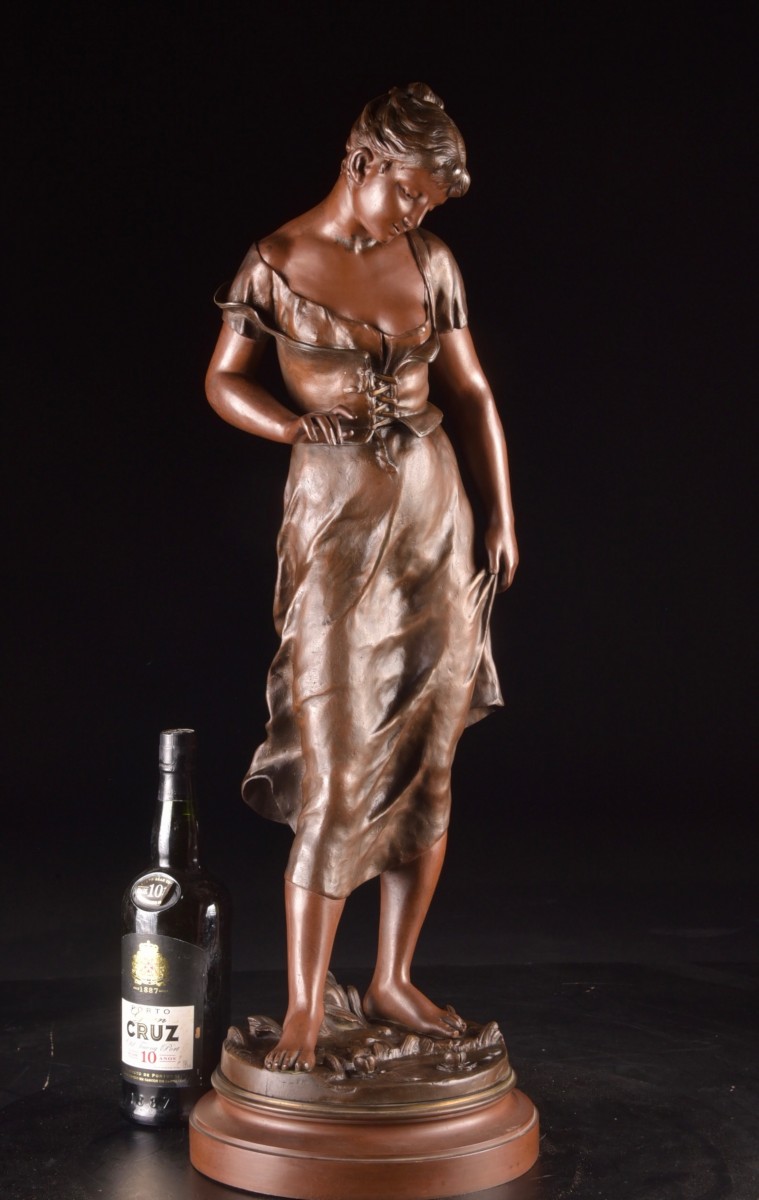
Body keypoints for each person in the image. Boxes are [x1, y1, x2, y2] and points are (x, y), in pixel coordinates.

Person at [206, 83, 519, 1072]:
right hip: (336, 526)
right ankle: (305, 1006)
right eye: (411, 193)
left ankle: (392, 977)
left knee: (429, 761)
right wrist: (292, 424)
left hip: (436, 519)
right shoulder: (275, 262)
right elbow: (222, 378)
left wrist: (502, 514)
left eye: (432, 204)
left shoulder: (430, 261)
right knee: (340, 765)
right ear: (365, 162)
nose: (418, 214)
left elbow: (472, 390)